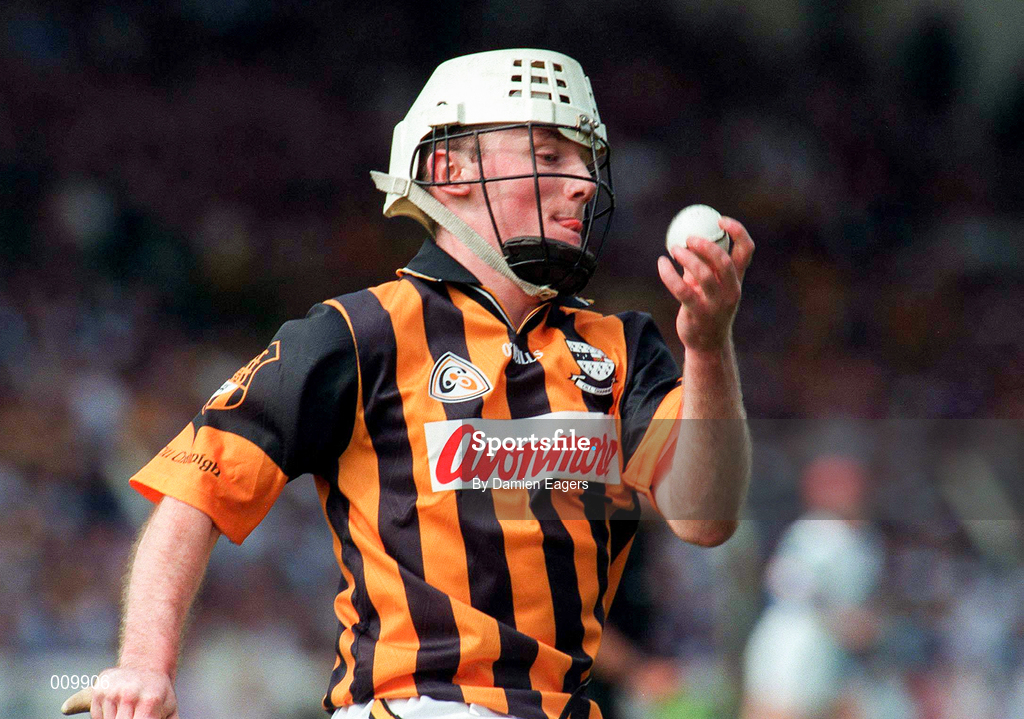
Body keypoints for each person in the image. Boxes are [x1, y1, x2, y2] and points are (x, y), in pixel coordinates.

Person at [63, 48, 754, 719]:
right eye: (549, 156)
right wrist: (144, 666)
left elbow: (704, 514)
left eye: (585, 159)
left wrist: (709, 345)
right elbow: (195, 490)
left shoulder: (624, 346)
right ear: (449, 168)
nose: (583, 180)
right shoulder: (356, 332)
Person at [741, 454, 885, 719]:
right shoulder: (816, 531)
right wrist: (841, 617)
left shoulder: (865, 540)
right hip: (796, 644)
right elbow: (784, 582)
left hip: (835, 654)